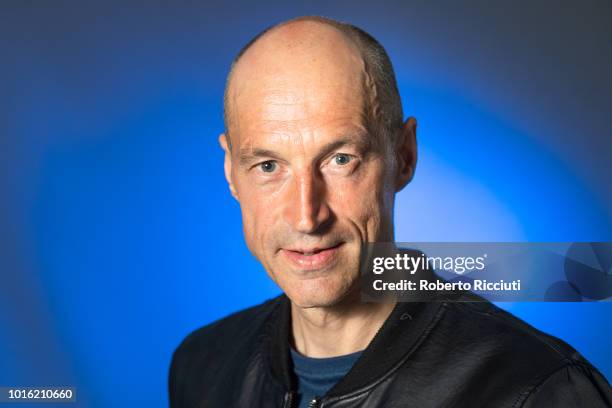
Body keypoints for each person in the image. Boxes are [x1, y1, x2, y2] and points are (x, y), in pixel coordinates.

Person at [168, 16, 611, 408]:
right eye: (268, 166)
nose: (306, 216)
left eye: (340, 160)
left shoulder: (536, 389)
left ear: (403, 156)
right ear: (231, 172)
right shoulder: (202, 367)